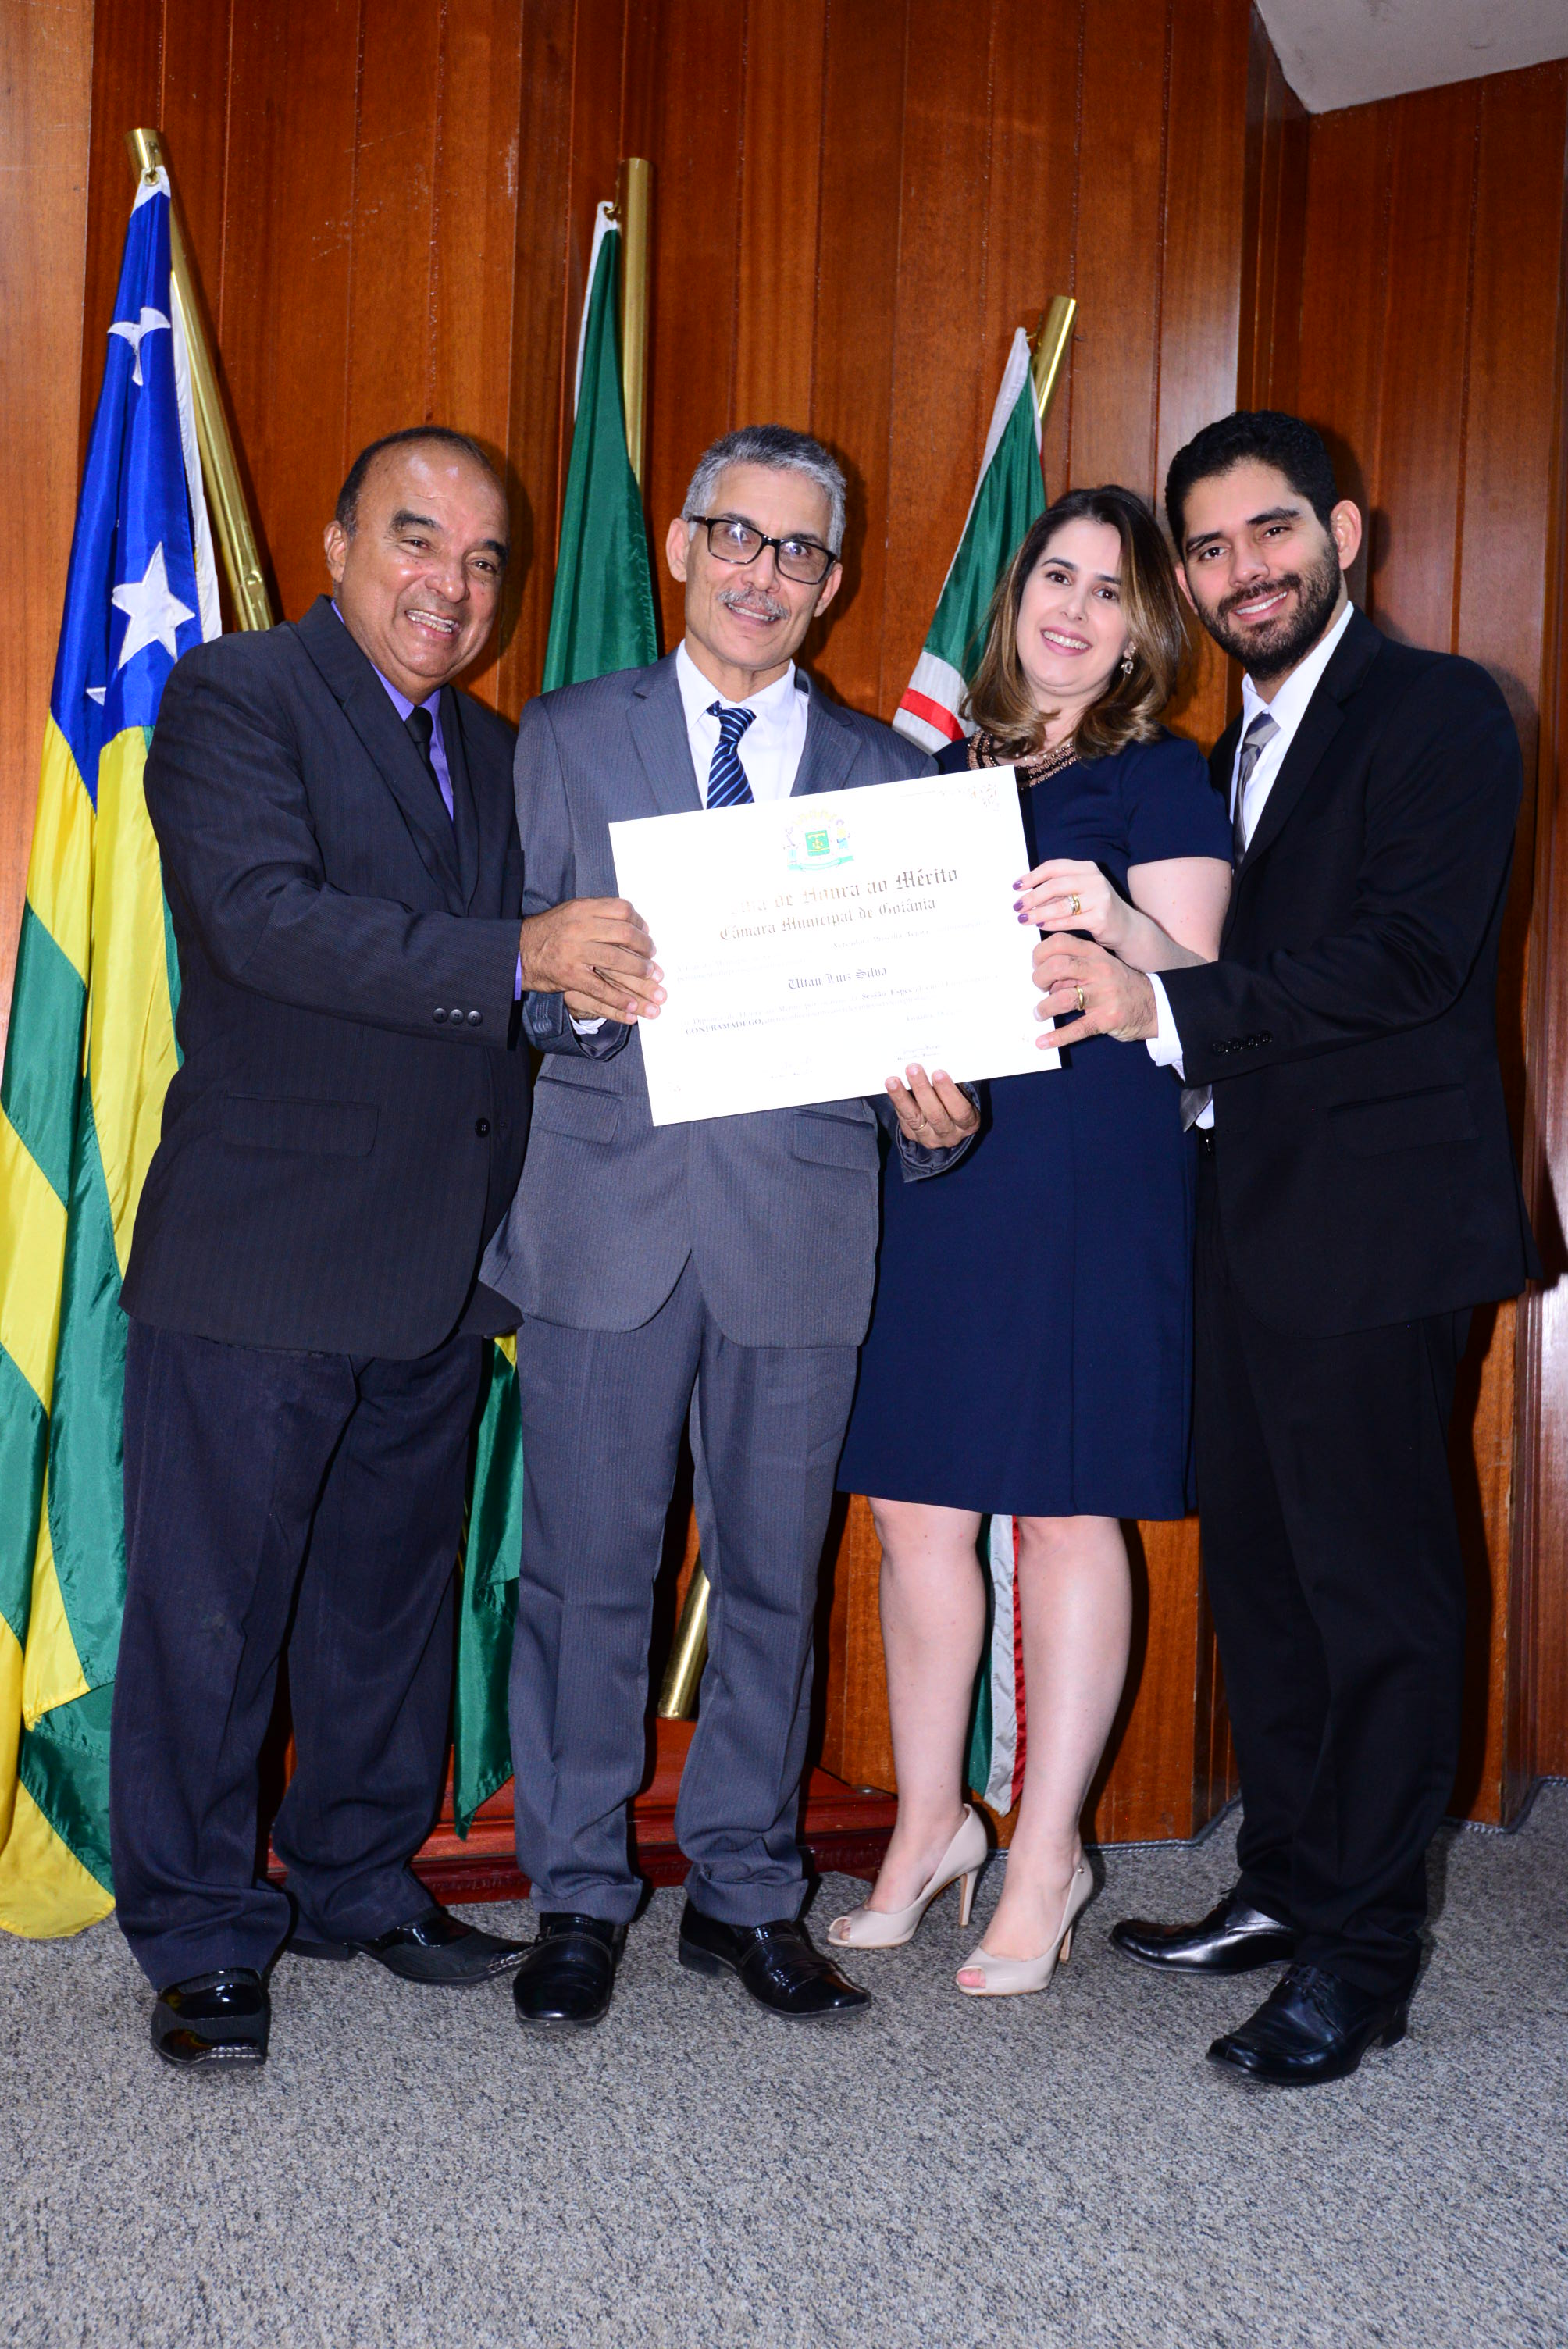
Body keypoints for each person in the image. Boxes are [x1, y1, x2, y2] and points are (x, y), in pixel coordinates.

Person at [113, 426, 657, 2071]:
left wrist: (604, 1002)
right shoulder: (237, 697)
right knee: (213, 1616)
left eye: (486, 562)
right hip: (266, 1253)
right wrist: (523, 957)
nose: (453, 586)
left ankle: (356, 1876)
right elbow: (263, 921)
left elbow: (517, 989)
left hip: (441, 1260)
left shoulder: (493, 749)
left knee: (382, 1605)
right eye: (418, 541)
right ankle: (201, 1932)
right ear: (340, 542)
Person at [1034, 411, 1539, 2086]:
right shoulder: (1221, 750)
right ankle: (1289, 1879)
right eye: (1207, 549)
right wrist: (1125, 950)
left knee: (1374, 1592)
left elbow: (1404, 960)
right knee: (1263, 1580)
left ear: (1344, 532)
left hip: (1376, 1231)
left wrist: (1160, 1001)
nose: (1240, 570)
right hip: (1238, 1222)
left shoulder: (1437, 710)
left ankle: (1363, 1953)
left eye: (1269, 532)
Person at [479, 423, 979, 2029]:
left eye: (799, 551)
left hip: (800, 1228)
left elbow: (931, 1036)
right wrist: (573, 996)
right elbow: (509, 977)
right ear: (684, 546)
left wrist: (942, 1120)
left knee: (772, 1578)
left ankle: (747, 1891)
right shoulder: (562, 735)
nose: (764, 573)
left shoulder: (895, 781)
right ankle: (575, 1892)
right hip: (601, 1219)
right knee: (584, 1578)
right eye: (739, 537)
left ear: (831, 584)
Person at [832, 487, 1231, 1995]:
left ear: (1142, 631)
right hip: (943, 1168)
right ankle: (932, 1823)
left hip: (1091, 1175)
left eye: (1111, 590)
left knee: (1067, 1512)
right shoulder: (924, 776)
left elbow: (1208, 983)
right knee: (915, 1509)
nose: (1075, 608)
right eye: (1057, 575)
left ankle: (1049, 1850)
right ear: (1015, 599)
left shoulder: (1160, 773)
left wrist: (1117, 919)